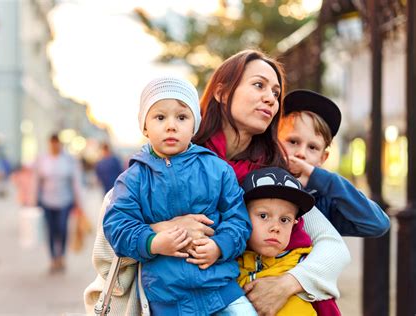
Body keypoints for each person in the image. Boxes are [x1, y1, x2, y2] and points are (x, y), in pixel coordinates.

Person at [85, 50, 350, 316]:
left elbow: (333, 246)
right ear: (223, 93)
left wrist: (287, 283)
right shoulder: (163, 159)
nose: (270, 97)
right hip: (167, 300)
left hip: (231, 296)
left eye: (275, 92)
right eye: (258, 85)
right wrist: (162, 229)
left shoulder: (272, 174)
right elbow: (109, 242)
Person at [103, 76, 255, 315]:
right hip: (168, 301)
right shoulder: (134, 179)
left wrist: (219, 246)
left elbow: (239, 221)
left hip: (222, 291)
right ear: (144, 126)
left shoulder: (217, 170)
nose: (171, 126)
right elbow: (117, 226)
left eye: (182, 117)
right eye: (160, 117)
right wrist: (153, 242)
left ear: (194, 124)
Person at [278, 89, 390, 237]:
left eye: (312, 147)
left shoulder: (326, 202)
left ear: (322, 158)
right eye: (293, 141)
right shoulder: (257, 179)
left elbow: (378, 224)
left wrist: (324, 180)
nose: (301, 153)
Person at [238, 167, 341, 315]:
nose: (275, 227)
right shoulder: (229, 265)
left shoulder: (306, 268)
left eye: (284, 220)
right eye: (263, 216)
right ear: (243, 216)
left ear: (295, 224)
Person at [33, 134, 83, 273]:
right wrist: (33, 199)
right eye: (52, 144)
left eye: (56, 143)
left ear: (59, 144)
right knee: (50, 230)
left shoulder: (68, 160)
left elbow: (75, 182)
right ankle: (53, 259)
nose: (54, 146)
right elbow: (37, 180)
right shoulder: (43, 160)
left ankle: (62, 257)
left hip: (65, 201)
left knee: (62, 229)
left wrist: (79, 202)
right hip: (47, 201)